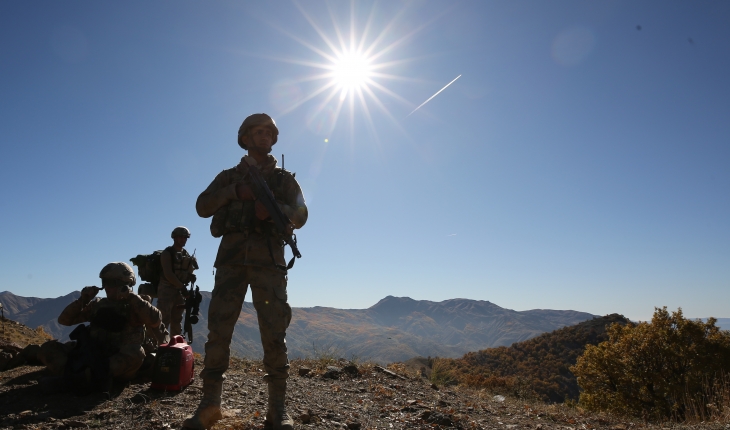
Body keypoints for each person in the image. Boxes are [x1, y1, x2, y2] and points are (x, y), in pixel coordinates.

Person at [184, 113, 308, 430]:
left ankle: (277, 411)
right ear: (245, 137)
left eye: (269, 132)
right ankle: (210, 405)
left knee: (274, 333)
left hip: (269, 262)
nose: (264, 136)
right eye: (258, 131)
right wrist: (233, 193)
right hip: (231, 261)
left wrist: (276, 211)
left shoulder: (283, 180)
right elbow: (202, 206)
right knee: (218, 333)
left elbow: (302, 214)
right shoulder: (229, 177)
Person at [40, 262, 169, 394]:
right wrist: (83, 300)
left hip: (118, 359)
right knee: (48, 348)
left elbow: (155, 320)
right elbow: (64, 320)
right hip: (93, 353)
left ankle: (80, 377)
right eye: (104, 282)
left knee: (136, 352)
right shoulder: (98, 305)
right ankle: (82, 375)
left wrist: (130, 296)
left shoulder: (137, 304)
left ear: (125, 284)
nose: (107, 287)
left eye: (112, 283)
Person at [157, 226, 198, 337]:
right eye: (180, 237)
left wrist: (190, 276)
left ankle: (176, 346)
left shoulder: (186, 254)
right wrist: (182, 288)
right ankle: (160, 346)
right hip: (166, 289)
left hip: (179, 291)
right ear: (174, 237)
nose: (183, 239)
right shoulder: (167, 253)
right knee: (163, 320)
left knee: (177, 320)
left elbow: (186, 271)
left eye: (185, 237)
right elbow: (168, 274)